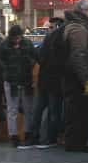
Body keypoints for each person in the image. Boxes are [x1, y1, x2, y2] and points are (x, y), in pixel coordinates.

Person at [63, 0, 88, 152]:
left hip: (76, 77)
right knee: (78, 112)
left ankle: (77, 143)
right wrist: (87, 80)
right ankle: (76, 145)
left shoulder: (79, 26)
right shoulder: (78, 28)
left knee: (79, 112)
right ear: (84, 11)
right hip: (77, 79)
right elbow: (78, 56)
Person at [0, 24, 38, 148]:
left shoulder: (26, 43)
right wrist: (9, 69)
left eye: (19, 37)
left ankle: (27, 133)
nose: (17, 40)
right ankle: (14, 135)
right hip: (12, 80)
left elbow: (35, 58)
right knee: (13, 109)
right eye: (15, 38)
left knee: (27, 108)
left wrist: (28, 64)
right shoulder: (4, 45)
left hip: (24, 80)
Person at [28, 17, 65, 149]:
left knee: (43, 110)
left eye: (50, 27)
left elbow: (38, 56)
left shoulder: (49, 41)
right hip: (52, 81)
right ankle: (49, 138)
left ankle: (39, 137)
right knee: (50, 111)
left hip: (47, 81)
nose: (48, 30)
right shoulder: (56, 41)